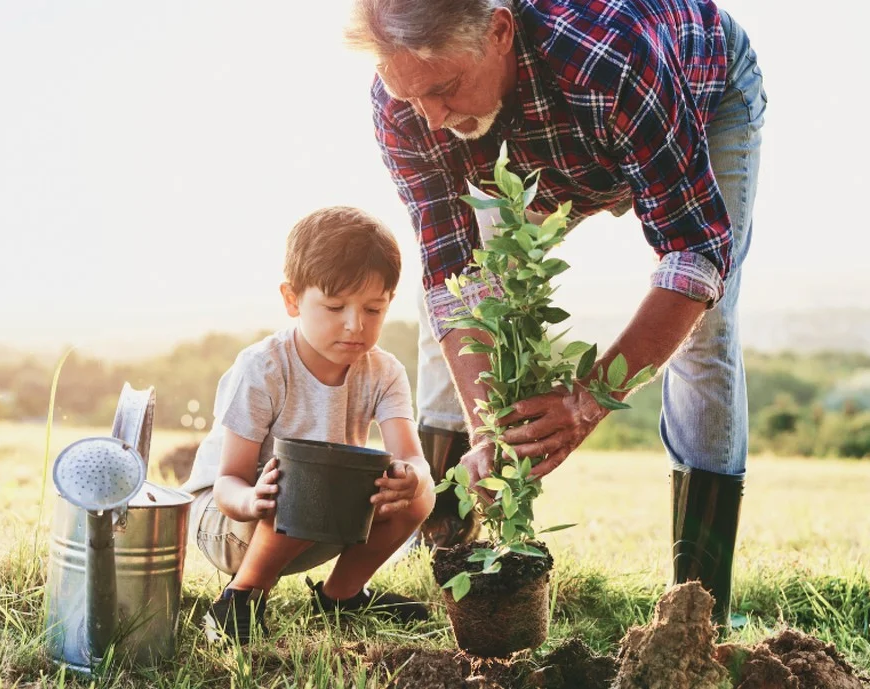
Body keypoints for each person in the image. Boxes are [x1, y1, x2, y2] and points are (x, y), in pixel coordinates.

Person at [347, 0, 766, 628]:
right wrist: (490, 428)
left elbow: (695, 253)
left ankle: (698, 608)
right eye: (411, 98)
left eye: (443, 89)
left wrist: (588, 398)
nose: (430, 120)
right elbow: (451, 279)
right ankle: (446, 551)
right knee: (468, 307)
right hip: (537, 141)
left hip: (697, 96)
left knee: (707, 330)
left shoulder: (612, 57)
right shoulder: (406, 106)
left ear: (499, 30)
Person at [181, 206, 436, 644]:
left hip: (321, 516)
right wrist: (253, 499)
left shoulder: (385, 371)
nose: (355, 325)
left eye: (373, 309)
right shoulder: (263, 368)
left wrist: (412, 478)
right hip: (232, 522)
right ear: (292, 299)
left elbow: (413, 457)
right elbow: (226, 483)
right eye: (335, 306)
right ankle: (240, 601)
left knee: (421, 489)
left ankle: (341, 596)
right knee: (307, 476)